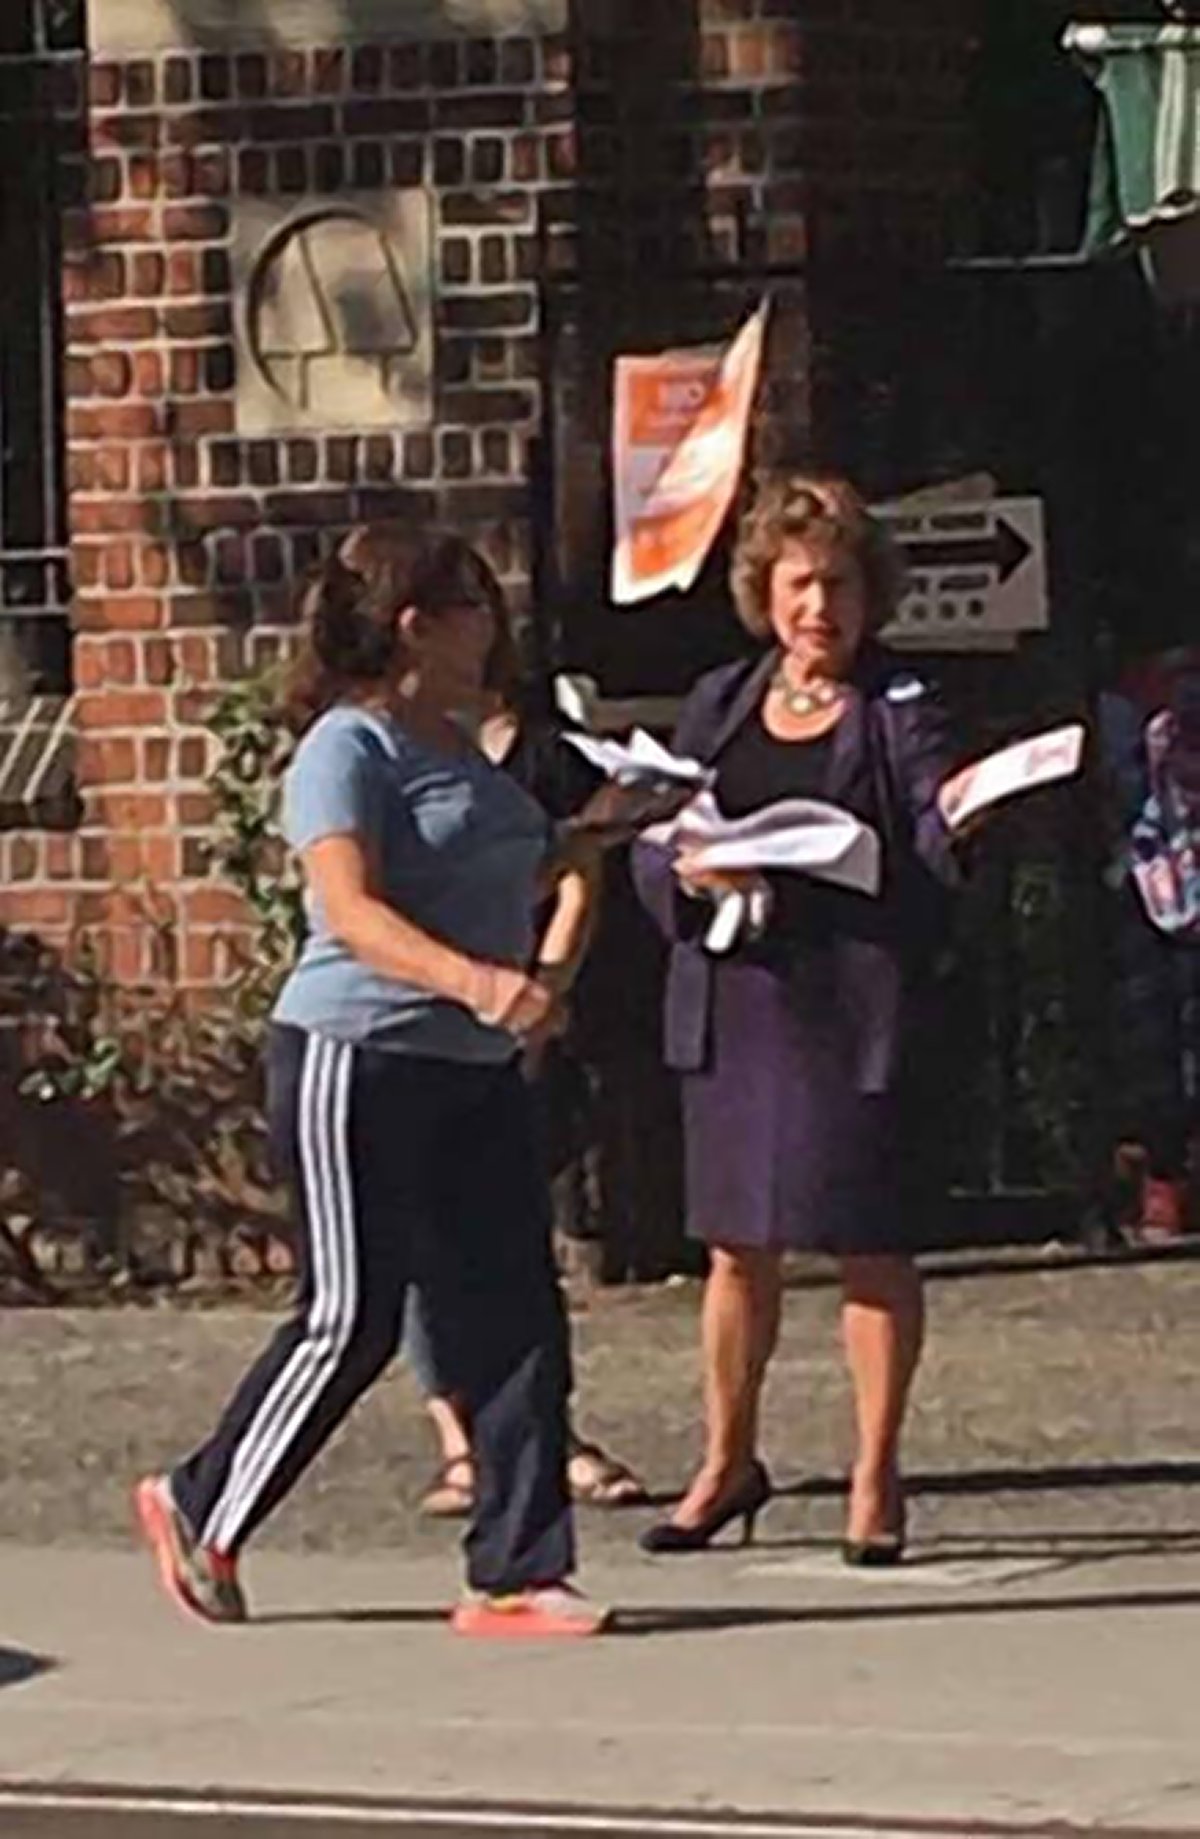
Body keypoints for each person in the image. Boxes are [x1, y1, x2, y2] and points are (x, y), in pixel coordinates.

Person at [134, 525, 608, 1637]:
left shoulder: (459, 748)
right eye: (476, 608)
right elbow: (348, 912)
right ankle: (201, 1502)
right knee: (352, 1315)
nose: (496, 628)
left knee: (514, 1314)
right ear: (418, 626)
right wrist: (481, 983)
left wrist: (616, 851)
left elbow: (545, 863)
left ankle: (516, 1571)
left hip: (473, 1068)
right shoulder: (347, 749)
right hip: (357, 1054)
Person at [632, 474, 968, 1564]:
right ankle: (727, 1463)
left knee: (870, 1246)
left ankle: (876, 1477)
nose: (819, 607)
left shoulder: (905, 705)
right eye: (799, 585)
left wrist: (924, 849)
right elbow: (659, 828)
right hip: (740, 1000)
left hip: (850, 1003)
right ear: (763, 592)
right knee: (738, 1249)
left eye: (839, 585)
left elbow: (937, 838)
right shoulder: (722, 699)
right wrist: (687, 872)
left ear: (872, 596)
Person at [400, 622, 647, 1516]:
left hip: (516, 1023)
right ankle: (457, 1438)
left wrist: (543, 990)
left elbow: (583, 872)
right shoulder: (399, 754)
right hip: (425, 1015)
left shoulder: (539, 759)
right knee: (423, 1240)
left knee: (511, 1235)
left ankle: (546, 1430)